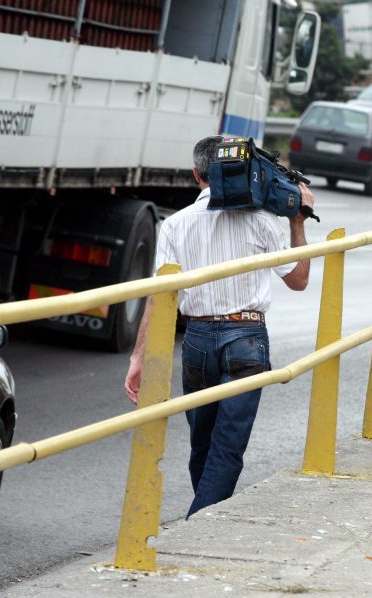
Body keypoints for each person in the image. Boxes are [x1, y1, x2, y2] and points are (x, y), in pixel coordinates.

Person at [124, 135, 312, 518]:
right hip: (247, 338)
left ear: (197, 175)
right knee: (226, 449)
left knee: (203, 446)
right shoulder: (261, 220)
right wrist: (297, 222)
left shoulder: (175, 225)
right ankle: (198, 524)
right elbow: (298, 279)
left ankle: (201, 518)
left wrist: (138, 356)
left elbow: (160, 296)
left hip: (196, 341)